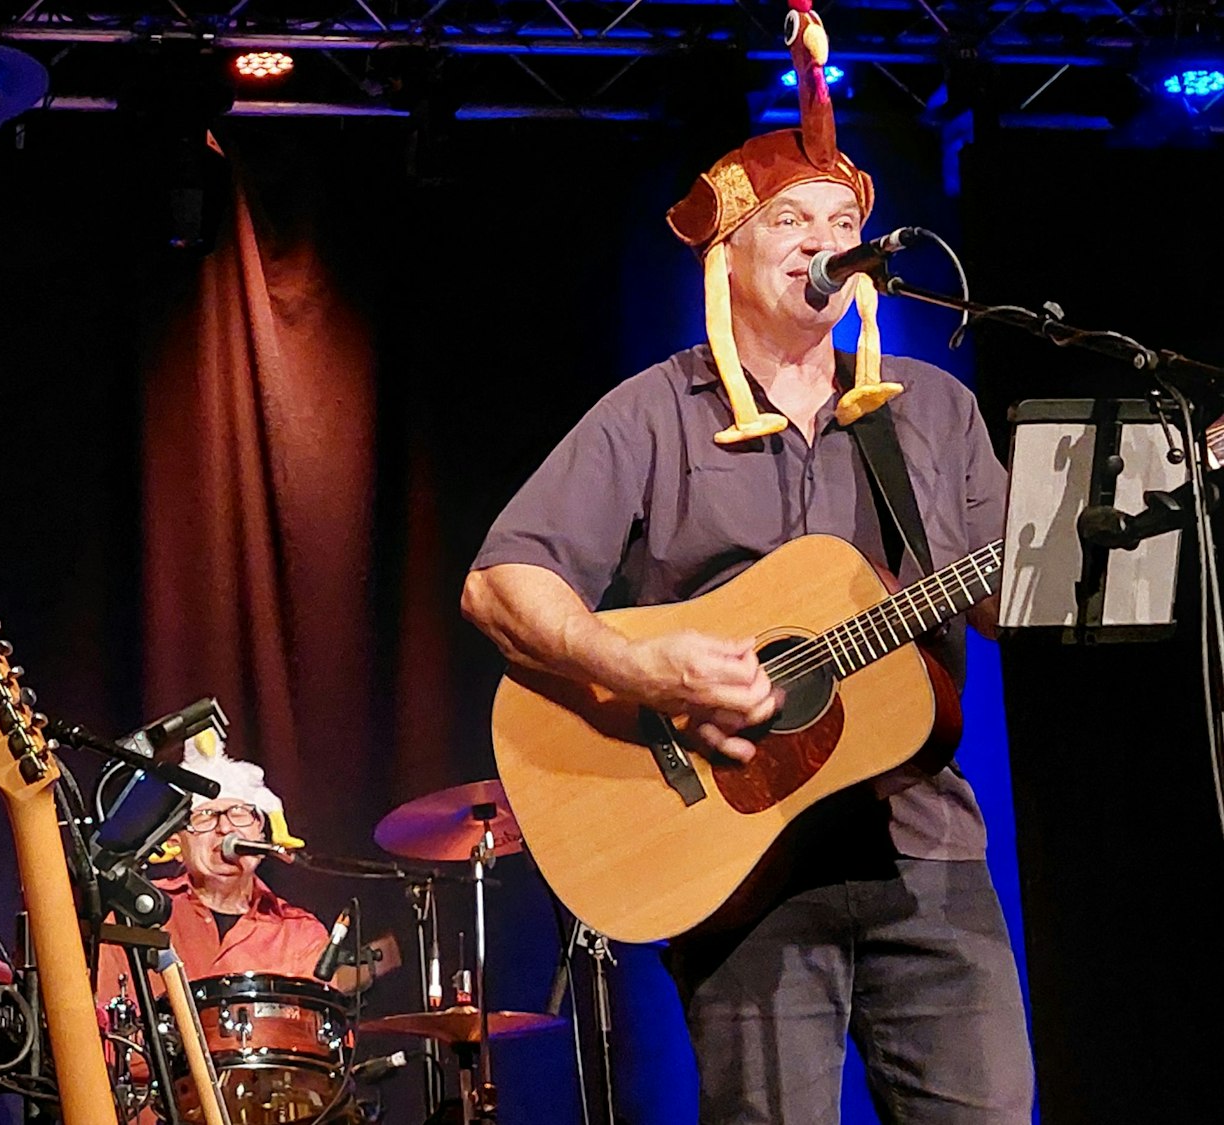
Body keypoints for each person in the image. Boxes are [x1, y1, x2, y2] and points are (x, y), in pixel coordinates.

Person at [460, 3, 1033, 1121]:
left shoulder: (930, 411)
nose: (825, 242)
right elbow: (500, 585)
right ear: (726, 256)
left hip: (926, 853)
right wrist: (644, 673)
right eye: (788, 221)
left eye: (839, 221)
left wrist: (1114, 518)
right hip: (740, 868)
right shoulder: (650, 417)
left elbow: (1007, 601)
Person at [95, 730, 333, 1004]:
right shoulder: (133, 913)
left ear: (260, 831)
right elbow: (108, 1030)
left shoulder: (299, 933)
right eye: (206, 816)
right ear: (177, 839)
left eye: (239, 813)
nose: (225, 828)